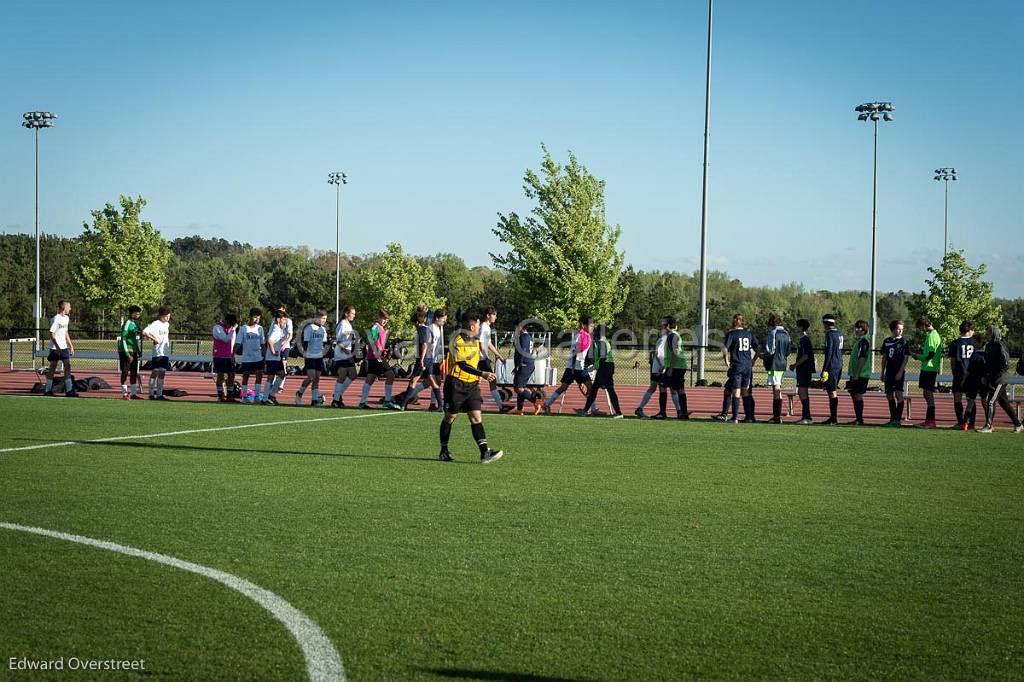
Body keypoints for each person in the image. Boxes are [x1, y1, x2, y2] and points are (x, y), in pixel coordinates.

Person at [438, 311, 504, 463]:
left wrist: (487, 368)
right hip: (456, 384)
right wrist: (483, 374)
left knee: (476, 417)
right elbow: (462, 365)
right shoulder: (457, 340)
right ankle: (444, 450)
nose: (480, 327)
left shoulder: (474, 340)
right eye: (479, 324)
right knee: (450, 417)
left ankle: (484, 453)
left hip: (472, 385)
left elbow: (476, 361)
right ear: (472, 326)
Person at [542, 316, 596, 415]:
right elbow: (576, 352)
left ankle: (547, 405)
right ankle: (593, 409)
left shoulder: (584, 336)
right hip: (576, 367)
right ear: (584, 326)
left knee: (564, 387)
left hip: (574, 366)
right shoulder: (581, 336)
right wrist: (574, 367)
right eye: (591, 326)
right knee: (589, 387)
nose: (592, 328)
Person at [977, 325, 1024, 433]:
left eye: (988, 333)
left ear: (994, 334)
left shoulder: (1000, 345)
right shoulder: (988, 346)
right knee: (1004, 402)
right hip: (993, 378)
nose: (986, 335)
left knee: (990, 401)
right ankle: (1018, 424)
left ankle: (988, 426)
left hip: (1000, 379)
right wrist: (986, 376)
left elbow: (1006, 364)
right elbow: (988, 363)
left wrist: (997, 376)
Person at [579, 323, 624, 418]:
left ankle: (619, 412)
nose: (594, 332)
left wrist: (594, 367)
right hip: (605, 367)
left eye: (596, 330)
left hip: (605, 367)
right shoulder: (601, 341)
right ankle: (585, 410)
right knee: (595, 390)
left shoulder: (602, 342)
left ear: (600, 332)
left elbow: (603, 357)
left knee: (609, 390)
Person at [400, 305, 440, 410]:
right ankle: (440, 405)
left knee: (413, 381)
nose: (414, 326)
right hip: (429, 358)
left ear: (417, 322)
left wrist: (421, 360)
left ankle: (403, 405)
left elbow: (424, 345)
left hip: (424, 358)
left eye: (414, 324)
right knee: (432, 381)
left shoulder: (422, 329)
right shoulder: (428, 328)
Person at [722, 314, 760, 424]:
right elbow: (758, 347)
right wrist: (754, 360)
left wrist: (726, 360)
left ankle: (734, 417)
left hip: (737, 365)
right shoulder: (749, 334)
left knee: (736, 390)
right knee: (745, 391)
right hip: (747, 366)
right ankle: (749, 417)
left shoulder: (732, 334)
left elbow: (725, 348)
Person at [359, 310, 397, 409]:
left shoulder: (380, 328)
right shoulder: (376, 327)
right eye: (384, 318)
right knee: (390, 375)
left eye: (386, 319)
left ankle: (362, 403)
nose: (385, 321)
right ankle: (387, 401)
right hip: (377, 357)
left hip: (373, 356)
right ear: (379, 317)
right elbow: (372, 339)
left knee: (370, 379)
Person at [656, 317, 689, 420]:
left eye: (663, 325)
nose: (662, 327)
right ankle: (683, 413)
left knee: (662, 386)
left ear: (668, 326)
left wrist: (670, 368)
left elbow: (675, 353)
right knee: (679, 389)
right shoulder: (675, 335)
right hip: (680, 366)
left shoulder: (671, 336)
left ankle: (663, 412)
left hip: (675, 367)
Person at [913, 316, 943, 429]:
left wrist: (917, 356)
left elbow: (930, 355)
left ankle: (931, 421)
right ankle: (928, 420)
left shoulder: (932, 336)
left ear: (924, 325)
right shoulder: (933, 335)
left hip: (929, 368)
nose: (921, 330)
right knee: (926, 394)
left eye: (920, 327)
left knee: (928, 394)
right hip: (929, 368)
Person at [479, 307, 510, 412]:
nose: (495, 317)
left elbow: (489, 344)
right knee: (492, 380)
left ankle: (501, 406)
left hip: (482, 358)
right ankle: (501, 406)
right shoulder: (483, 327)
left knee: (484, 381)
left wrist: (499, 356)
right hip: (480, 359)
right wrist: (485, 356)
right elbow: (480, 343)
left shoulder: (487, 327)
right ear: (488, 315)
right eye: (494, 315)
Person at [44, 299, 77, 397]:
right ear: (64, 308)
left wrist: (70, 345)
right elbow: (51, 334)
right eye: (69, 307)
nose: (70, 308)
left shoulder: (66, 318)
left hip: (64, 347)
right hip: (55, 348)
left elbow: (66, 333)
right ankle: (48, 390)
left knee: (67, 366)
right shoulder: (56, 319)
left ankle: (69, 390)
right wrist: (57, 347)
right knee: (52, 368)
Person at [880, 319, 910, 427]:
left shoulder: (904, 342)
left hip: (898, 372)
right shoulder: (887, 341)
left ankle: (897, 420)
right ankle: (893, 419)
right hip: (889, 372)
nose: (900, 331)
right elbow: (884, 358)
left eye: (901, 329)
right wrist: (882, 372)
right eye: (898, 329)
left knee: (898, 394)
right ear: (893, 329)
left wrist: (900, 372)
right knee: (889, 395)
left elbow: (906, 358)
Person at [295, 309, 328, 406]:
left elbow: (324, 343)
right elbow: (305, 342)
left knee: (317, 378)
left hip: (319, 356)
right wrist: (304, 354)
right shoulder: (309, 328)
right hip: (310, 355)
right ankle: (299, 393)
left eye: (325, 319)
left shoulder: (323, 330)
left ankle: (314, 400)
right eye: (322, 318)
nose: (323, 320)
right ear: (316, 317)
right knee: (311, 377)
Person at [763, 314, 791, 424]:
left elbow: (770, 350)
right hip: (783, 363)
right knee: (777, 388)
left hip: (774, 363)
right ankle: (777, 416)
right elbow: (788, 351)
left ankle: (777, 417)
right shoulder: (787, 333)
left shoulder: (773, 333)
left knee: (776, 389)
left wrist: (763, 357)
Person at [949, 321, 978, 429]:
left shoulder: (955, 343)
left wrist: (954, 372)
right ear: (969, 330)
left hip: (959, 374)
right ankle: (971, 423)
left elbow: (952, 361)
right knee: (971, 400)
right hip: (972, 375)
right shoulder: (975, 343)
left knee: (957, 398)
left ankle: (960, 422)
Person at [635, 325, 668, 418]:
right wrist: (662, 366)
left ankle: (640, 408)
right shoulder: (663, 339)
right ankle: (676, 411)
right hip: (659, 369)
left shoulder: (664, 339)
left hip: (658, 368)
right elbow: (657, 353)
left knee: (654, 388)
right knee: (663, 389)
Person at [331, 305, 359, 408]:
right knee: (342, 376)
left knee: (353, 374)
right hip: (341, 354)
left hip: (347, 353)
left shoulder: (348, 325)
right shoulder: (342, 324)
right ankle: (336, 400)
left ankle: (337, 395)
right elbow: (338, 341)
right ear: (346, 313)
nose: (354, 316)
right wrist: (348, 354)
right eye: (352, 313)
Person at [512, 321, 542, 415]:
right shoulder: (528, 337)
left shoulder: (523, 337)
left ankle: (535, 402)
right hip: (528, 364)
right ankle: (519, 409)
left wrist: (519, 365)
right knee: (521, 388)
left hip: (525, 364)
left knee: (518, 388)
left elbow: (523, 351)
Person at [845, 320, 871, 425]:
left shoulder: (864, 341)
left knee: (858, 395)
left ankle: (860, 420)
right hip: (855, 374)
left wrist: (856, 374)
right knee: (854, 395)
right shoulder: (859, 341)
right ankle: (858, 418)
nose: (856, 330)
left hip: (861, 374)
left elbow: (862, 358)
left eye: (859, 328)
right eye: (856, 327)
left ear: (863, 330)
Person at [142, 306, 172, 400]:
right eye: (166, 316)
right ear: (161, 315)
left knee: (162, 373)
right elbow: (144, 332)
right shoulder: (155, 323)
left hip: (165, 353)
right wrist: (153, 338)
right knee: (155, 372)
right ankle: (151, 394)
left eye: (169, 316)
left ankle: (159, 395)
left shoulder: (167, 324)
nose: (168, 318)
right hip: (157, 353)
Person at [819, 314, 844, 425]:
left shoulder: (829, 334)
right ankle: (832, 417)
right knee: (831, 391)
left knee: (832, 391)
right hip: (839, 364)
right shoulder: (839, 333)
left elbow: (828, 352)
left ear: (825, 323)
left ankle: (834, 418)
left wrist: (824, 368)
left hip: (832, 366)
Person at [261, 309, 289, 405]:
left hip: (274, 358)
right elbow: (270, 340)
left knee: (279, 374)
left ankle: (268, 397)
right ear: (278, 319)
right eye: (283, 319)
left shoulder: (278, 328)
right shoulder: (276, 329)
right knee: (275, 376)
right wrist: (273, 352)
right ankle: (267, 397)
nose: (285, 322)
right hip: (273, 358)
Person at [789, 319, 815, 424]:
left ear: (801, 327)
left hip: (804, 370)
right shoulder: (802, 340)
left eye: (797, 326)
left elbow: (805, 356)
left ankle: (807, 417)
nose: (795, 328)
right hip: (802, 370)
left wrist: (795, 365)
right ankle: (806, 416)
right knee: (801, 392)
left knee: (802, 392)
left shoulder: (805, 340)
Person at [238, 308, 266, 404]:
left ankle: (257, 397)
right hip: (247, 357)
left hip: (258, 357)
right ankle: (244, 397)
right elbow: (238, 343)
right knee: (246, 376)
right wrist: (232, 354)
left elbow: (262, 343)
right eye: (255, 317)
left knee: (259, 375)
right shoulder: (243, 328)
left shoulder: (260, 328)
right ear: (250, 317)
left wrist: (264, 355)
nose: (256, 319)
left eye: (258, 318)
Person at [118, 305, 144, 400]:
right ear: (132, 313)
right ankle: (124, 394)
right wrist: (127, 353)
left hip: (133, 351)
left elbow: (134, 339)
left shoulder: (134, 324)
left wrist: (138, 350)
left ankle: (133, 394)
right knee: (125, 372)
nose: (138, 315)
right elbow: (123, 339)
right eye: (137, 313)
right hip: (126, 351)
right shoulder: (127, 323)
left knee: (134, 372)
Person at [961, 334, 987, 431]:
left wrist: (964, 380)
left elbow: (969, 370)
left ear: (979, 343)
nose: (973, 343)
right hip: (983, 382)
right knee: (984, 402)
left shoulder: (975, 355)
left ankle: (966, 423)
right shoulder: (987, 354)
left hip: (973, 381)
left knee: (970, 402)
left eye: (974, 342)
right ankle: (989, 423)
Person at [212, 313, 239, 402]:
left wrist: (233, 354)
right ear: (226, 321)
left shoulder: (231, 328)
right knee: (220, 375)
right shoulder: (217, 328)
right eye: (229, 324)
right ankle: (220, 395)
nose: (230, 326)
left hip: (229, 356)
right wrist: (233, 329)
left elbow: (233, 341)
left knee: (232, 375)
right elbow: (226, 339)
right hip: (219, 355)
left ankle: (230, 395)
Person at [275, 306, 294, 393]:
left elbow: (290, 335)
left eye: (282, 309)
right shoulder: (274, 320)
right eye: (279, 309)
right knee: (275, 364)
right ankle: (274, 384)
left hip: (284, 346)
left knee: (283, 365)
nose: (280, 311)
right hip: (275, 346)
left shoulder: (288, 321)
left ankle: (281, 385)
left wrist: (285, 344)